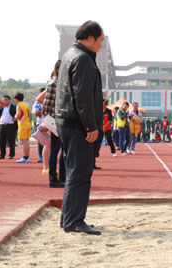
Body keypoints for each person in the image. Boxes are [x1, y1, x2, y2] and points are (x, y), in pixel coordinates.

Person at [55, 20, 104, 235]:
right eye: (100, 40)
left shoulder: (69, 55)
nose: (101, 45)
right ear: (90, 38)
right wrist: (91, 126)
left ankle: (69, 218)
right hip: (77, 125)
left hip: (68, 122)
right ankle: (74, 221)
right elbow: (82, 97)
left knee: (74, 172)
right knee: (80, 173)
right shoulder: (82, 58)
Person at [42, 60, 66, 188]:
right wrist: (45, 122)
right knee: (56, 149)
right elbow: (46, 104)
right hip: (56, 121)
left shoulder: (63, 83)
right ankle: (53, 177)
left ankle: (62, 177)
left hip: (63, 120)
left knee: (63, 149)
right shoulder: (54, 84)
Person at [14, 92, 32, 163]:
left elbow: (18, 115)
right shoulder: (25, 105)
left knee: (24, 142)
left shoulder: (19, 105)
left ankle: (25, 157)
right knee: (26, 142)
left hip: (22, 125)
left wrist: (14, 118)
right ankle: (26, 157)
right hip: (27, 124)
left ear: (16, 99)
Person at [0, 95, 17, 160]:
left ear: (9, 100)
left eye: (6, 99)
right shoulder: (1, 108)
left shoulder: (14, 107)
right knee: (1, 141)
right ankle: (2, 155)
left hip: (10, 126)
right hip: (2, 126)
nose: (5, 101)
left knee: (11, 141)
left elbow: (17, 115)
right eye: (3, 100)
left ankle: (11, 154)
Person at [33, 88, 46, 164]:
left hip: (51, 125)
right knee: (41, 142)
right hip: (41, 124)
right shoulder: (37, 103)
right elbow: (36, 113)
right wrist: (46, 110)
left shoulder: (51, 100)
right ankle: (41, 156)